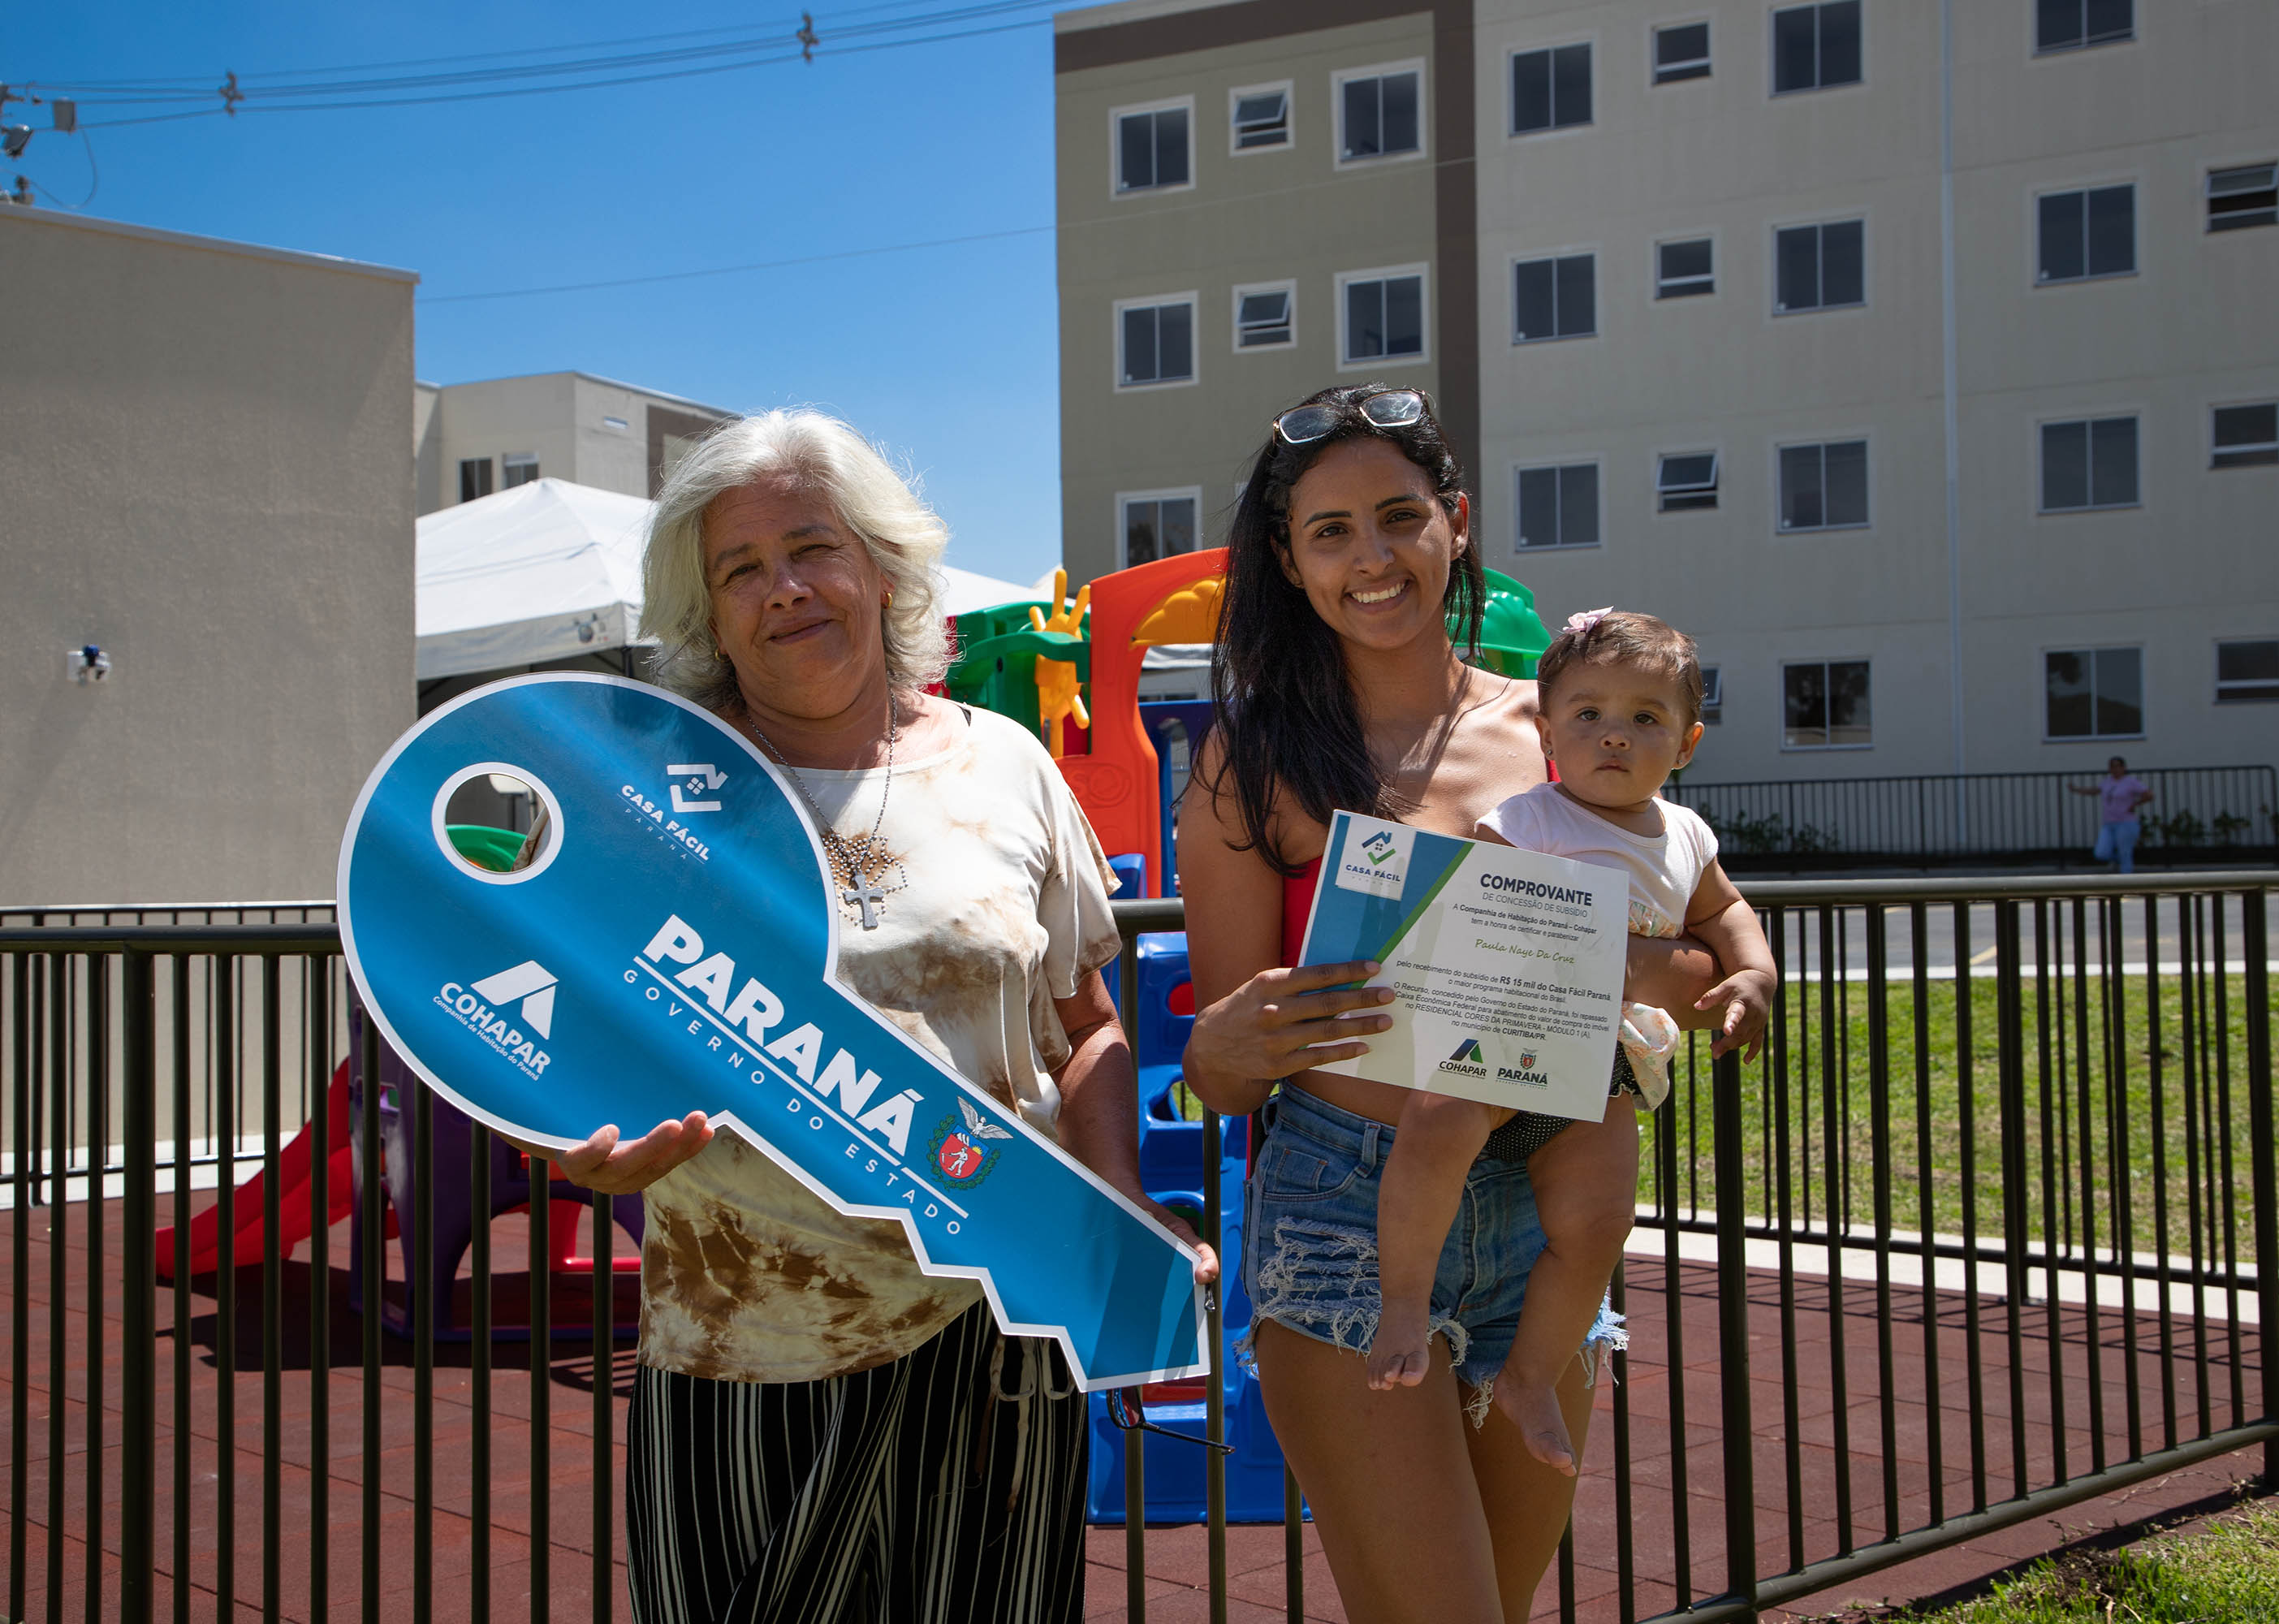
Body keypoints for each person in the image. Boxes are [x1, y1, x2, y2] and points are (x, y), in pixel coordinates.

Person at [542, 407, 1216, 1624]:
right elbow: (555, 1040)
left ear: (883, 567)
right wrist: (564, 1142)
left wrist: (1119, 1210)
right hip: (745, 1351)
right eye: (740, 569)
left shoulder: (1004, 762)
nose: (784, 588)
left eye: (812, 547)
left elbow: (1093, 1024)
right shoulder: (651, 796)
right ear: (707, 615)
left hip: (1001, 1331)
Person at [1175, 383, 1722, 1624]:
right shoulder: (1247, 760)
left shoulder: (1570, 728)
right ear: (1289, 563)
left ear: (1455, 524)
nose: (1372, 558)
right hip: (1342, 1205)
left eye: (1398, 517)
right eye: (1330, 533)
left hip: (1542, 1197)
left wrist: (1576, 956)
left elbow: (1694, 963)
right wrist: (1222, 1041)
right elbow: (1223, 1071)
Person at [1366, 609, 1776, 1476]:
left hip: (1610, 1063)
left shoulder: (1687, 836)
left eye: (1645, 717)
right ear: (1548, 731)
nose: (1614, 735)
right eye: (1587, 714)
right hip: (1512, 1028)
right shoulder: (1528, 819)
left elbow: (1725, 911)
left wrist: (1754, 973)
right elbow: (1468, 914)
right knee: (1436, 1120)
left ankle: (1529, 1375)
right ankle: (1402, 1301)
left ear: (1688, 740)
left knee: (1596, 1222)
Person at [2071, 755, 2152, 872]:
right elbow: (2094, 791)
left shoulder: (2130, 782)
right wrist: (2076, 790)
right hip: (2109, 823)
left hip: (2126, 823)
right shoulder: (2107, 782)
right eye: (2112, 767)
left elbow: (2149, 795)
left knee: (2125, 853)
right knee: (2101, 853)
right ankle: (2119, 860)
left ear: (2124, 768)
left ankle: (2127, 883)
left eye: (2118, 766)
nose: (2115, 769)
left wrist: (2134, 805)